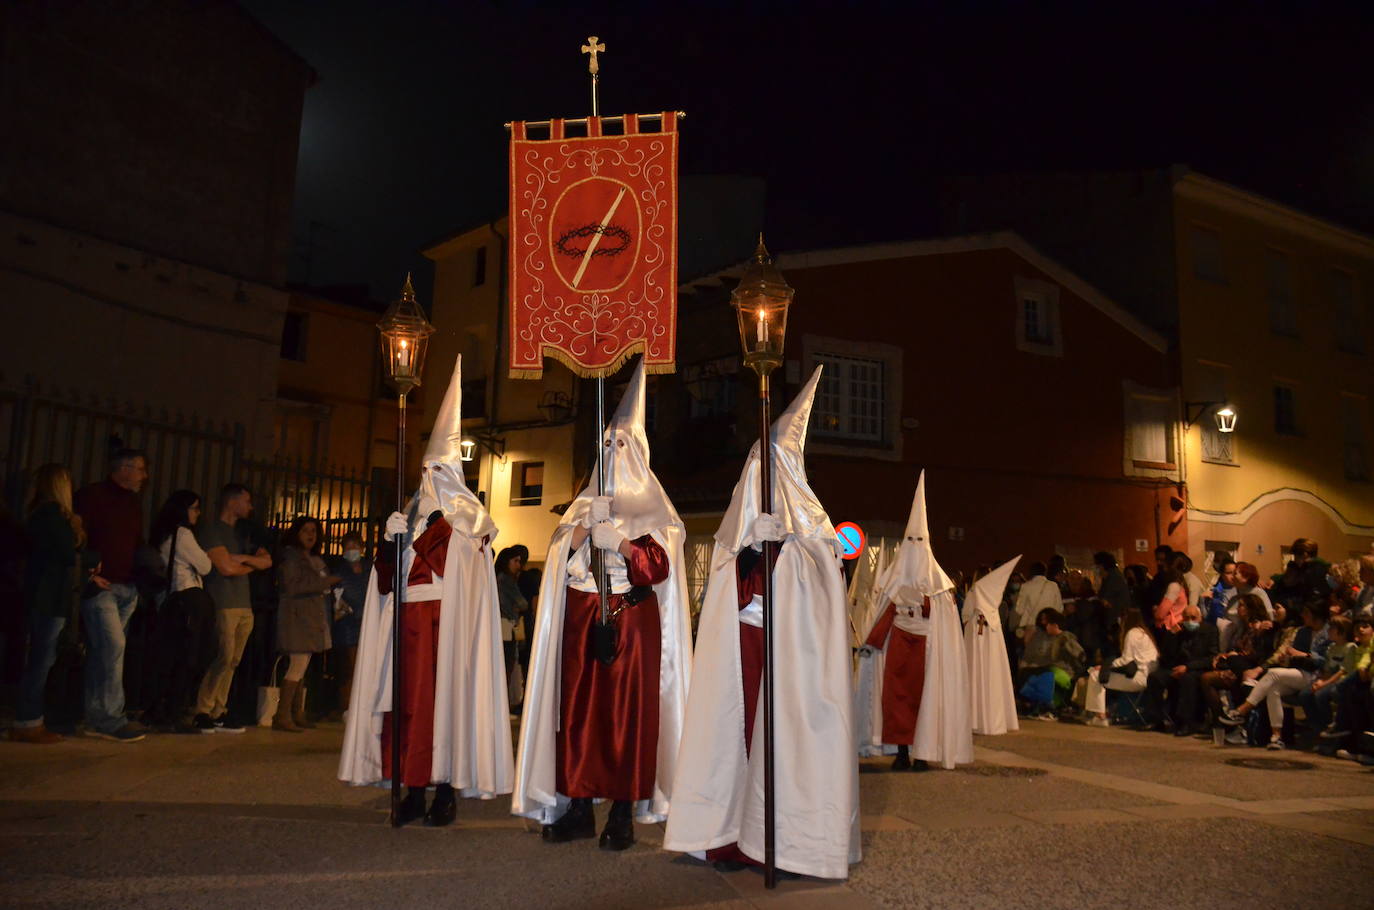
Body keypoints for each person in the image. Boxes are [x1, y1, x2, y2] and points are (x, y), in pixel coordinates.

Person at [664, 365, 859, 879]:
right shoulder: (740, 514)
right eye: (755, 463)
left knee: (783, 744)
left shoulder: (815, 523)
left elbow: (824, 584)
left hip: (792, 654)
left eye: (769, 463)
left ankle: (785, 844)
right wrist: (751, 547)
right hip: (742, 644)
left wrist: (790, 549)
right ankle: (725, 836)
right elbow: (725, 575)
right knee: (733, 738)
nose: (759, 472)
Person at [515, 359, 693, 852]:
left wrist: (618, 541)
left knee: (625, 715)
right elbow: (557, 556)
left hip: (631, 620)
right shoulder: (584, 500)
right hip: (582, 613)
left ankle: (621, 810)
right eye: (607, 444)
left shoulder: (658, 509)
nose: (613, 452)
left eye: (622, 444)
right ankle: (576, 803)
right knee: (579, 711)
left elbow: (659, 567)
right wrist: (576, 532)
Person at [340, 355, 513, 826]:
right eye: (426, 468)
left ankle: (443, 790)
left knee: (445, 708)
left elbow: (463, 565)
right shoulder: (412, 515)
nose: (429, 476)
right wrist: (390, 543)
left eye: (439, 468)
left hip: (447, 626)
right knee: (408, 706)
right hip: (409, 623)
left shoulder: (471, 519)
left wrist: (434, 531)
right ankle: (409, 786)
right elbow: (387, 581)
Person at [857, 471, 972, 772]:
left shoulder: (940, 588)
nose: (914, 545)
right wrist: (872, 642)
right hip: (898, 648)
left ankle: (923, 752)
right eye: (910, 540)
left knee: (927, 701)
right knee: (896, 701)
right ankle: (901, 752)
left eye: (919, 540)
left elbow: (945, 626)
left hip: (928, 652)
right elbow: (884, 616)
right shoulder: (892, 582)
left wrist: (924, 602)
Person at [11, 465, 98, 744]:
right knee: (41, 660)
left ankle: (30, 718)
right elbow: (66, 553)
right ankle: (28, 721)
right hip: (48, 598)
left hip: (46, 596)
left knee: (41, 659)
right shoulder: (51, 515)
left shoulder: (40, 514)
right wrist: (89, 556)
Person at [73, 448, 148, 742]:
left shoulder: (133, 502)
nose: (145, 475)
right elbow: (77, 534)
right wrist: (89, 574)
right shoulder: (92, 496)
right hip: (101, 587)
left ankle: (96, 716)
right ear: (124, 468)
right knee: (112, 647)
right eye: (140, 468)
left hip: (126, 586)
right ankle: (111, 719)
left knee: (105, 653)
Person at [193, 484, 272, 733]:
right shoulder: (211, 530)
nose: (250, 507)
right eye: (246, 501)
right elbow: (225, 568)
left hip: (243, 602)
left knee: (233, 660)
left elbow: (266, 561)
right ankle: (202, 709)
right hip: (223, 601)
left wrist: (241, 560)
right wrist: (252, 564)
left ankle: (219, 709)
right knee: (223, 656)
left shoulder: (239, 534)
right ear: (232, 501)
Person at [147, 490, 216, 733]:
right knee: (191, 655)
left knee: (171, 656)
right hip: (189, 597)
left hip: (171, 600)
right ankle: (176, 711)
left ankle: (162, 709)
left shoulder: (164, 535)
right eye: (194, 507)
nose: (198, 513)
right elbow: (206, 566)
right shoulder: (183, 534)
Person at [1219, 600, 1331, 748]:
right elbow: (1292, 655)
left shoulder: (1328, 632)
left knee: (1273, 673)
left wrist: (1304, 655)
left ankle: (1242, 710)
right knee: (1274, 689)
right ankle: (1276, 737)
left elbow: (1327, 660)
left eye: (1306, 613)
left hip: (1319, 675)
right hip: (1300, 671)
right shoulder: (1304, 632)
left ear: (1316, 615)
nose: (1303, 616)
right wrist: (1291, 657)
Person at [272, 516, 338, 732]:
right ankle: (283, 715)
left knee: (302, 666)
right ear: (296, 533)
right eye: (306, 530)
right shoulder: (292, 557)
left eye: (314, 531)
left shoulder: (312, 558)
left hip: (310, 618)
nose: (311, 535)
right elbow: (292, 586)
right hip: (297, 618)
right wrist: (324, 583)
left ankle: (295, 713)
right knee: (297, 665)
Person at [962, 555, 1021, 735]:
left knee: (976, 672)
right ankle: (993, 717)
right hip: (992, 635)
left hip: (975, 632)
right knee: (993, 672)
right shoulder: (995, 595)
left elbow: (966, 614)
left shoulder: (974, 591)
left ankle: (975, 717)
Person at [1144, 604, 1218, 733]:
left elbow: (1211, 657)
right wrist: (1171, 635)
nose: (1190, 621)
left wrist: (1188, 667)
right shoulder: (1180, 632)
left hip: (1196, 668)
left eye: (1193, 618)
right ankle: (1156, 719)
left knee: (1187, 679)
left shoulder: (1209, 631)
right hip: (1177, 667)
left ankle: (1185, 722)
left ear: (1200, 618)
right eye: (1186, 618)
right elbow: (1166, 655)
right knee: (1155, 677)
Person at [1084, 608, 1158, 727]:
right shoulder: (1143, 633)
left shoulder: (1132, 634)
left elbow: (1125, 660)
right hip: (1147, 676)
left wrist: (1105, 666)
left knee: (1095, 675)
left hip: (1138, 678)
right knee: (1101, 675)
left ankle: (1100, 716)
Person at [328, 531, 370, 717]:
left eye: (355, 546)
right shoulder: (340, 570)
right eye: (348, 546)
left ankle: (362, 706)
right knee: (349, 666)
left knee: (365, 666)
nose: (352, 550)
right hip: (347, 624)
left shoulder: (369, 568)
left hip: (366, 621)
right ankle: (345, 706)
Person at [1016, 608, 1086, 718]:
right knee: (1028, 673)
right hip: (1051, 668)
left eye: (1048, 622)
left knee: (1043, 673)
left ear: (1054, 624)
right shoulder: (1042, 636)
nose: (1045, 625)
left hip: (1064, 671)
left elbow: (1079, 654)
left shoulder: (1065, 636)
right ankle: (1034, 704)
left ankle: (1046, 706)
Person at [494, 544, 529, 694]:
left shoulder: (497, 578)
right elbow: (523, 604)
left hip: (501, 626)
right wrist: (517, 607)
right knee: (507, 666)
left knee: (502, 667)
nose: (518, 565)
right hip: (507, 627)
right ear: (507, 561)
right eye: (515, 561)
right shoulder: (506, 580)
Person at [1012, 562, 1063, 645]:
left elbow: (1019, 610)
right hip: (1049, 627)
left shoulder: (1026, 586)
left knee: (1031, 653)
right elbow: (1060, 608)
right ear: (1045, 572)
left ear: (1031, 572)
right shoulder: (1053, 586)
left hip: (1031, 627)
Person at [1093, 551, 1132, 631]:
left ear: (1102, 565)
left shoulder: (1114, 578)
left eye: (1097, 566)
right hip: (1115, 619)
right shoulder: (1110, 577)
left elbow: (1106, 601)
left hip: (1115, 620)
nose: (1096, 569)